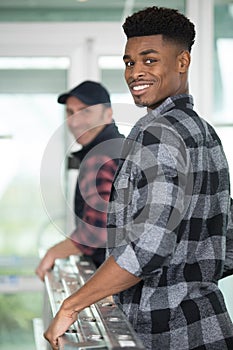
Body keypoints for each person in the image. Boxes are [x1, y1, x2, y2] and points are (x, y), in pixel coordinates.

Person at [44, 7, 233, 350]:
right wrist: (189, 278)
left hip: (165, 334)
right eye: (130, 62)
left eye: (149, 60)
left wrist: (72, 305)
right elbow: (227, 242)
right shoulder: (204, 132)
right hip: (209, 327)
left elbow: (148, 248)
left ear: (182, 62)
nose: (135, 73)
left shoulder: (157, 134)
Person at [36, 80, 124, 280]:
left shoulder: (100, 157)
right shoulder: (120, 146)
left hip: (115, 280)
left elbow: (95, 233)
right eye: (70, 112)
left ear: (107, 114)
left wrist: (53, 253)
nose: (75, 122)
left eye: (85, 111)